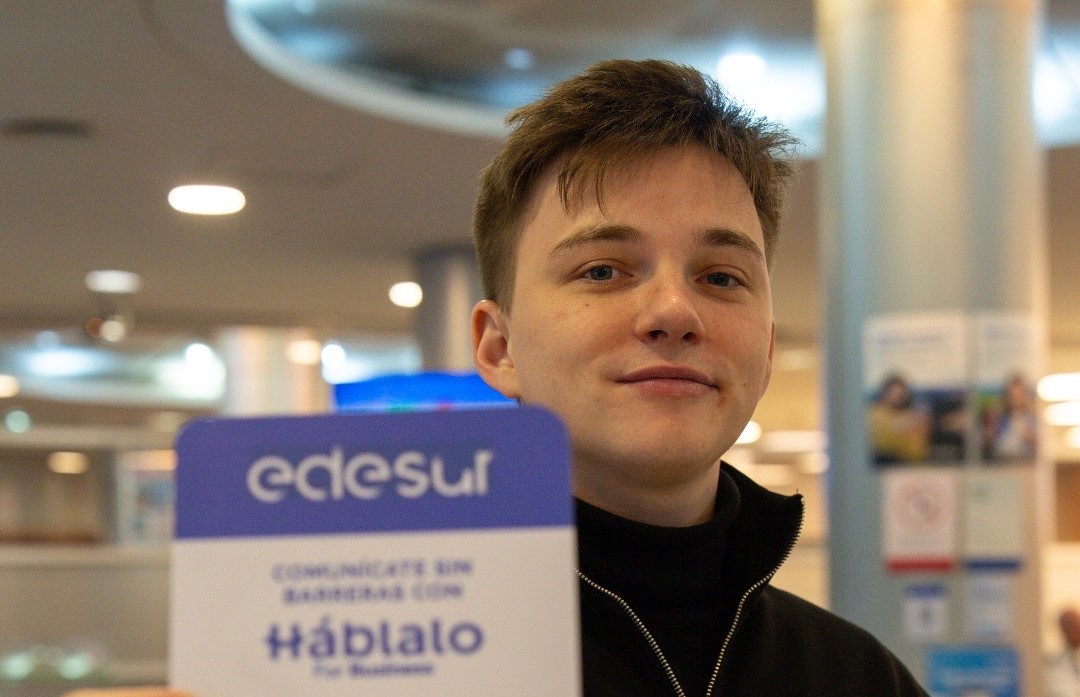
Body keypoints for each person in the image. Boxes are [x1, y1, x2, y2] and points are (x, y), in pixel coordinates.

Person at [68, 59, 928, 696]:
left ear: (766, 348)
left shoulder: (856, 677)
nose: (674, 310)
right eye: (602, 270)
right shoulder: (374, 661)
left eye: (722, 275)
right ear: (497, 346)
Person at [1047, 607, 1080, 697]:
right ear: (1062, 630)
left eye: (1077, 625)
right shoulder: (1052, 662)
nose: (1075, 630)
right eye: (1070, 626)